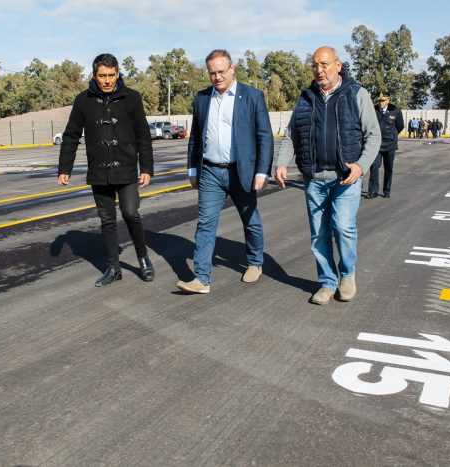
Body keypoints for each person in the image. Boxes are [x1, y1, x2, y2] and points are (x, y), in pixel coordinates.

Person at [273, 46, 381, 305]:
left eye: (324, 64)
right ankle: (327, 282)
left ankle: (347, 275)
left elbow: (373, 135)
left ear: (338, 65)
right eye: (314, 65)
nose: (319, 70)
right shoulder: (305, 98)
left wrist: (361, 166)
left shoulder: (357, 94)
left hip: (346, 178)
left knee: (343, 227)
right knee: (319, 235)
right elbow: (292, 136)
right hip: (314, 179)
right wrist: (281, 163)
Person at [176, 49, 274, 294]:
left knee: (250, 221)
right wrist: (192, 168)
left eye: (221, 71)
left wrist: (262, 172)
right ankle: (201, 278)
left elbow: (265, 137)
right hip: (209, 171)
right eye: (212, 73)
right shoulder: (201, 98)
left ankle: (254, 262)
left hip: (241, 172)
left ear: (232, 70)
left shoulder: (252, 96)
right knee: (206, 224)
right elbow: (196, 137)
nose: (217, 77)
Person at [58, 53, 155, 287]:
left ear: (118, 74)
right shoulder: (83, 100)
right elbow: (71, 135)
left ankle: (143, 259)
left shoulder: (132, 98)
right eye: (103, 76)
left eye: (112, 75)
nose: (108, 80)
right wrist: (65, 168)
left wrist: (147, 168)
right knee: (107, 220)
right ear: (94, 76)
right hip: (99, 172)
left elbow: (143, 134)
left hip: (127, 170)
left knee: (131, 213)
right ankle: (113, 268)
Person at [368, 91, 404, 199]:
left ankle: (387, 190)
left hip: (390, 145)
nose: (380, 103)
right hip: (376, 144)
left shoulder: (395, 111)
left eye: (383, 101)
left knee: (389, 168)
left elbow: (400, 126)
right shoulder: (373, 109)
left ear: (388, 100)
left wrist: (392, 135)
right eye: (379, 101)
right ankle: (373, 191)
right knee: (374, 167)